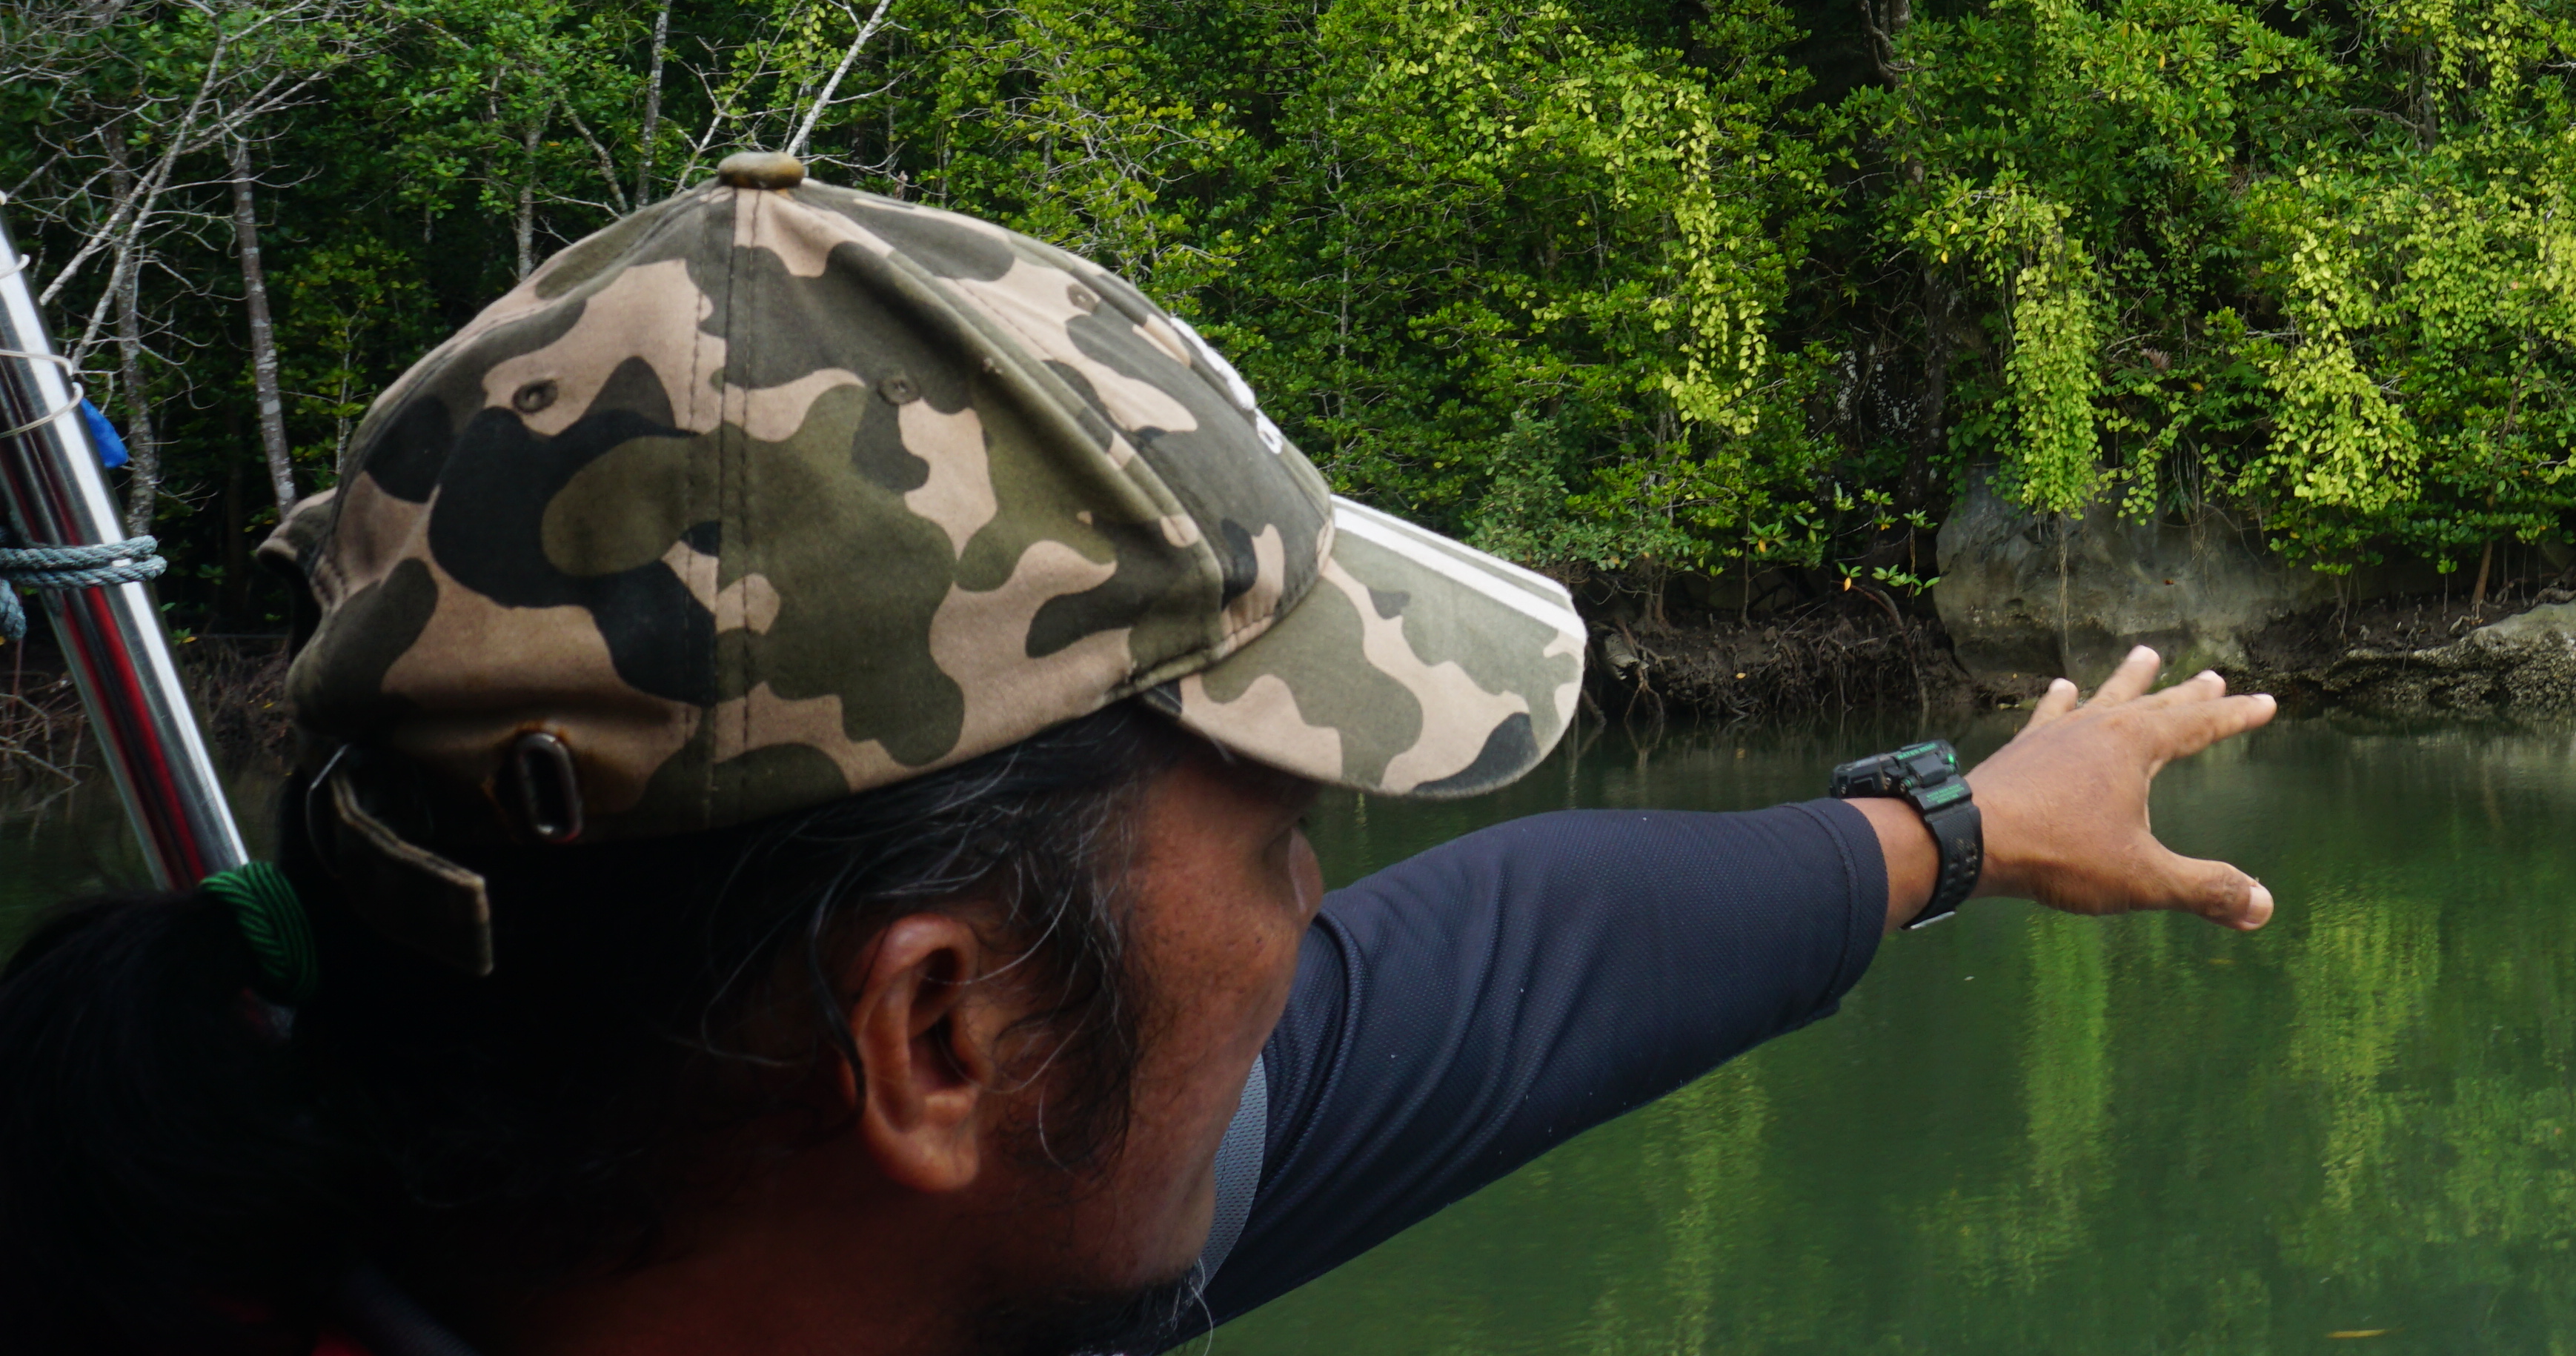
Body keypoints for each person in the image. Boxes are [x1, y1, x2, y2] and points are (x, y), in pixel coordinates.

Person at [0, 153, 2275, 1355]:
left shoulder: (788, 1200)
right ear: (936, 1033)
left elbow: (1491, 983)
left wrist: (1953, 829)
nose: (1319, 910)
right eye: (1280, 820)